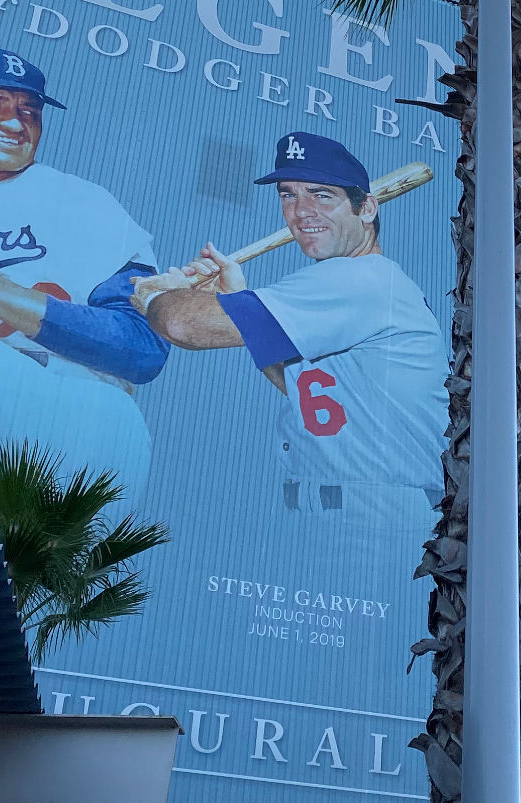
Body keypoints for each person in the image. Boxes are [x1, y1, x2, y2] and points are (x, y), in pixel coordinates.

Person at [136, 132, 445, 563]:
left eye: (322, 195)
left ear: (368, 207)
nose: (301, 212)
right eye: (289, 195)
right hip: (351, 511)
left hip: (371, 521)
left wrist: (157, 294)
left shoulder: (358, 279)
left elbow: (181, 324)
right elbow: (312, 389)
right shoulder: (366, 284)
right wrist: (236, 295)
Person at [0, 43, 167, 504]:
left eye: (29, 111)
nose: (15, 122)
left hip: (73, 414)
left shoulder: (78, 201)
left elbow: (141, 348)